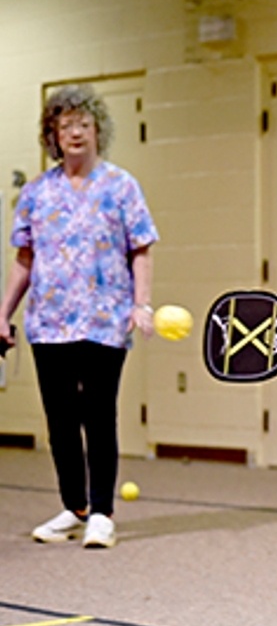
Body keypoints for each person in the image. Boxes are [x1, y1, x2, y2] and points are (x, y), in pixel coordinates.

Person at [0, 84, 158, 549]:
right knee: (60, 419)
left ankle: (102, 513)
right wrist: (3, 313)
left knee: (98, 414)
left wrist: (141, 303)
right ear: (52, 134)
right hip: (49, 322)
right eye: (65, 125)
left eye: (83, 124)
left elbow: (142, 250)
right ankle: (75, 506)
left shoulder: (121, 185)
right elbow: (24, 260)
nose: (74, 132)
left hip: (105, 320)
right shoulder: (36, 193)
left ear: (97, 131)